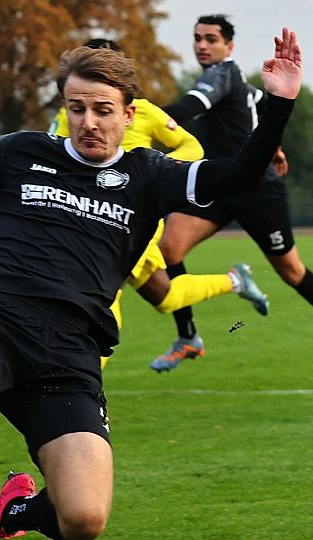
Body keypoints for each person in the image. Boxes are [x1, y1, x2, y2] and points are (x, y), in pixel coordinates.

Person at [0, 28, 301, 539]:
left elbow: (241, 174)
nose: (88, 122)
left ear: (129, 114)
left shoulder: (151, 174)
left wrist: (279, 104)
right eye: (76, 108)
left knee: (84, 518)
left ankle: (11, 514)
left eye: (102, 110)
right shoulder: (20, 151)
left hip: (71, 351)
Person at [154, 14, 313, 370]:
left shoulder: (221, 74)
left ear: (229, 46)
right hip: (217, 184)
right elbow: (261, 105)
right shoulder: (234, 83)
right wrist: (274, 145)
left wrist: (140, 116)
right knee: (169, 248)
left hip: (257, 189)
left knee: (291, 271)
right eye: (198, 38)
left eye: (211, 39)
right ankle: (188, 337)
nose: (202, 45)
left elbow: (186, 109)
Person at [50, 39, 270, 368]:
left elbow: (191, 146)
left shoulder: (145, 111)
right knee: (165, 297)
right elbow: (53, 155)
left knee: (104, 290)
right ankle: (234, 280)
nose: (89, 118)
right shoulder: (70, 112)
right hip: (85, 214)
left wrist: (154, 174)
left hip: (131, 216)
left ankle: (83, 380)